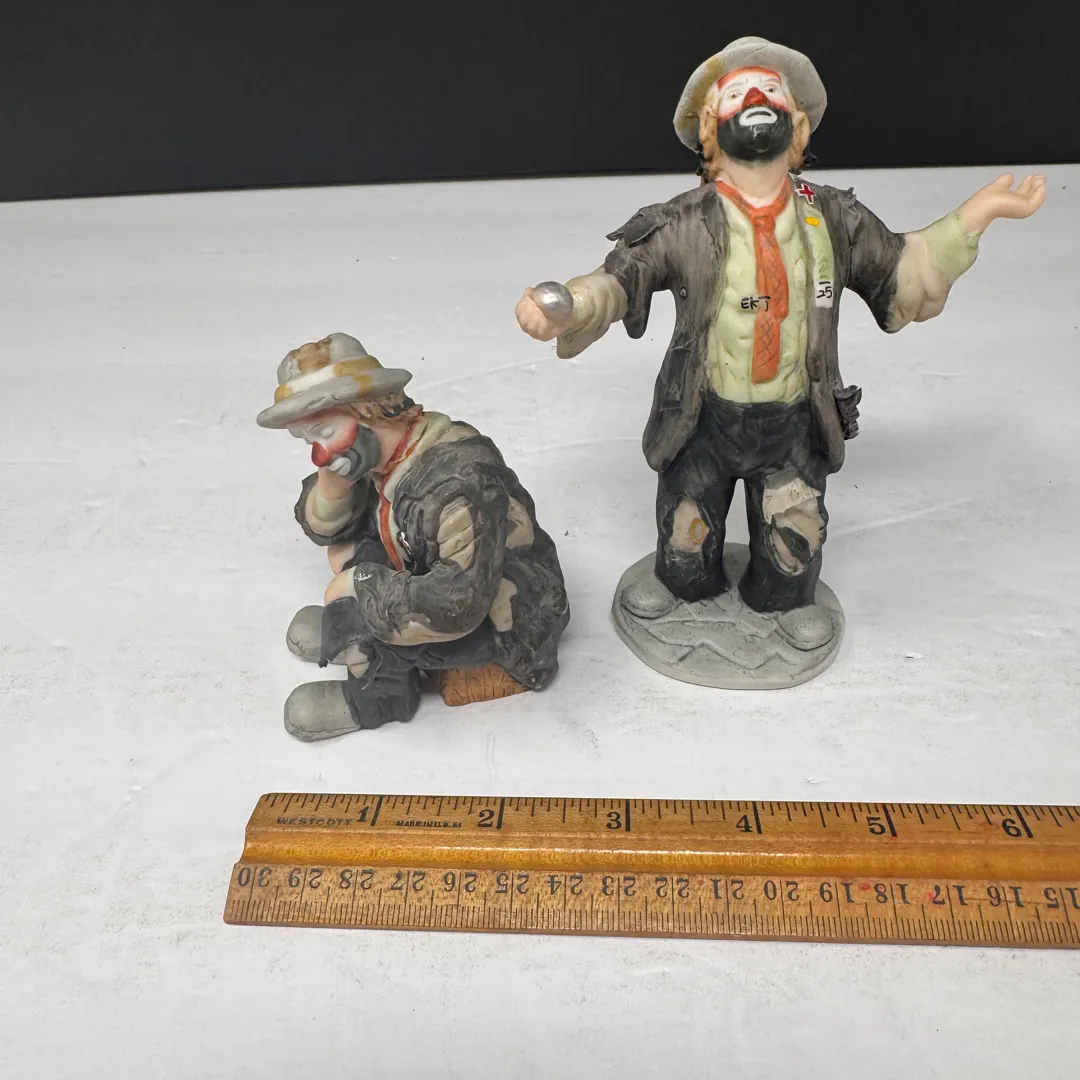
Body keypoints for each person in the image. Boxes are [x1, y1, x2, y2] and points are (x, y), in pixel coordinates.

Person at [515, 35, 1045, 661]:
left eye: (771, 91)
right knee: (688, 526)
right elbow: (620, 276)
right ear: (709, 131)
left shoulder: (834, 218)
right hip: (702, 416)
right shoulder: (682, 220)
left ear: (798, 129)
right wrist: (570, 304)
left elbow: (904, 272)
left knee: (793, 532)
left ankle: (786, 599)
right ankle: (682, 586)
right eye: (737, 93)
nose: (756, 99)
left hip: (795, 418)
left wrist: (973, 218)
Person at [256, 333, 569, 740]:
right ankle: (349, 634)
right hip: (430, 566)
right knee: (346, 552)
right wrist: (332, 485)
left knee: (364, 611)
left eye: (325, 431)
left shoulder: (456, 484)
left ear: (369, 411)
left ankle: (378, 698)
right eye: (307, 440)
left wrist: (361, 587)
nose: (319, 454)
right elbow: (335, 529)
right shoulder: (387, 453)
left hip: (507, 619)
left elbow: (456, 603)